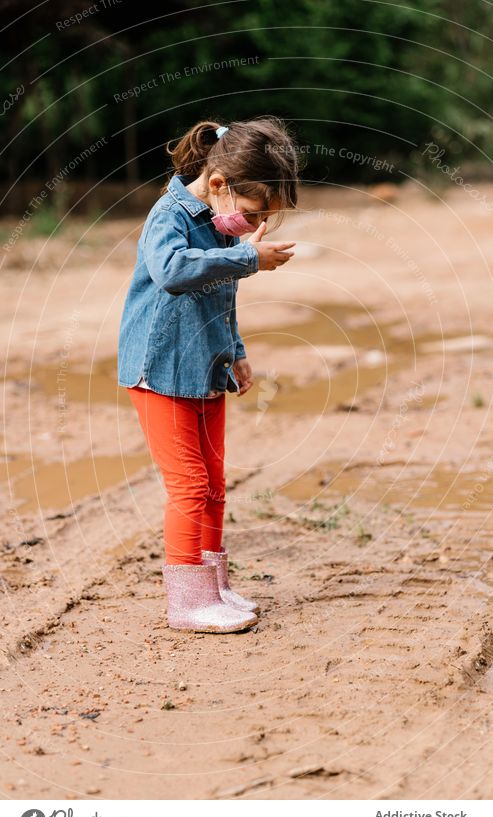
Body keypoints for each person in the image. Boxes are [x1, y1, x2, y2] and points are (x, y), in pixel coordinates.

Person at [117, 117, 300, 633]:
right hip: (160, 371)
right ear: (219, 185)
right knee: (190, 487)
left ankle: (213, 587)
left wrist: (236, 350)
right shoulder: (169, 216)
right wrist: (247, 256)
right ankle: (187, 602)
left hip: (204, 367)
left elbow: (220, 295)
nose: (250, 226)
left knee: (214, 484)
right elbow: (173, 272)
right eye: (250, 214)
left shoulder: (218, 225)